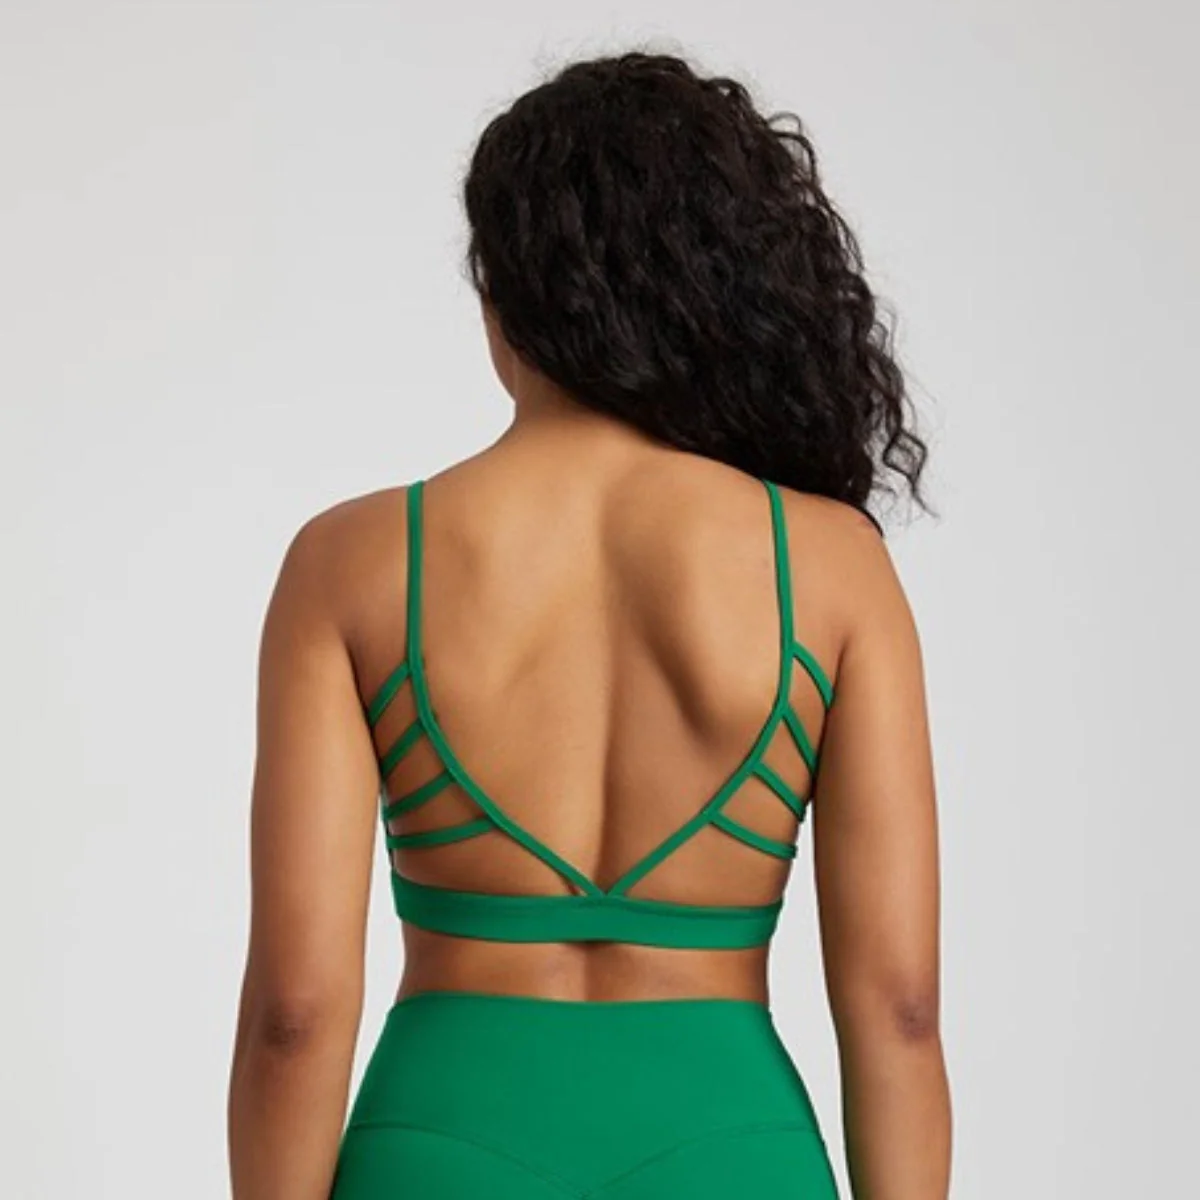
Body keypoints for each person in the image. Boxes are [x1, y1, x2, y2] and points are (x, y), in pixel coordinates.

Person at [227, 49, 951, 1200]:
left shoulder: (350, 562)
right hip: (732, 1153)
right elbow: (900, 1011)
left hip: (438, 1144)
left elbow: (295, 1013)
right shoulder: (831, 569)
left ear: (505, 298)